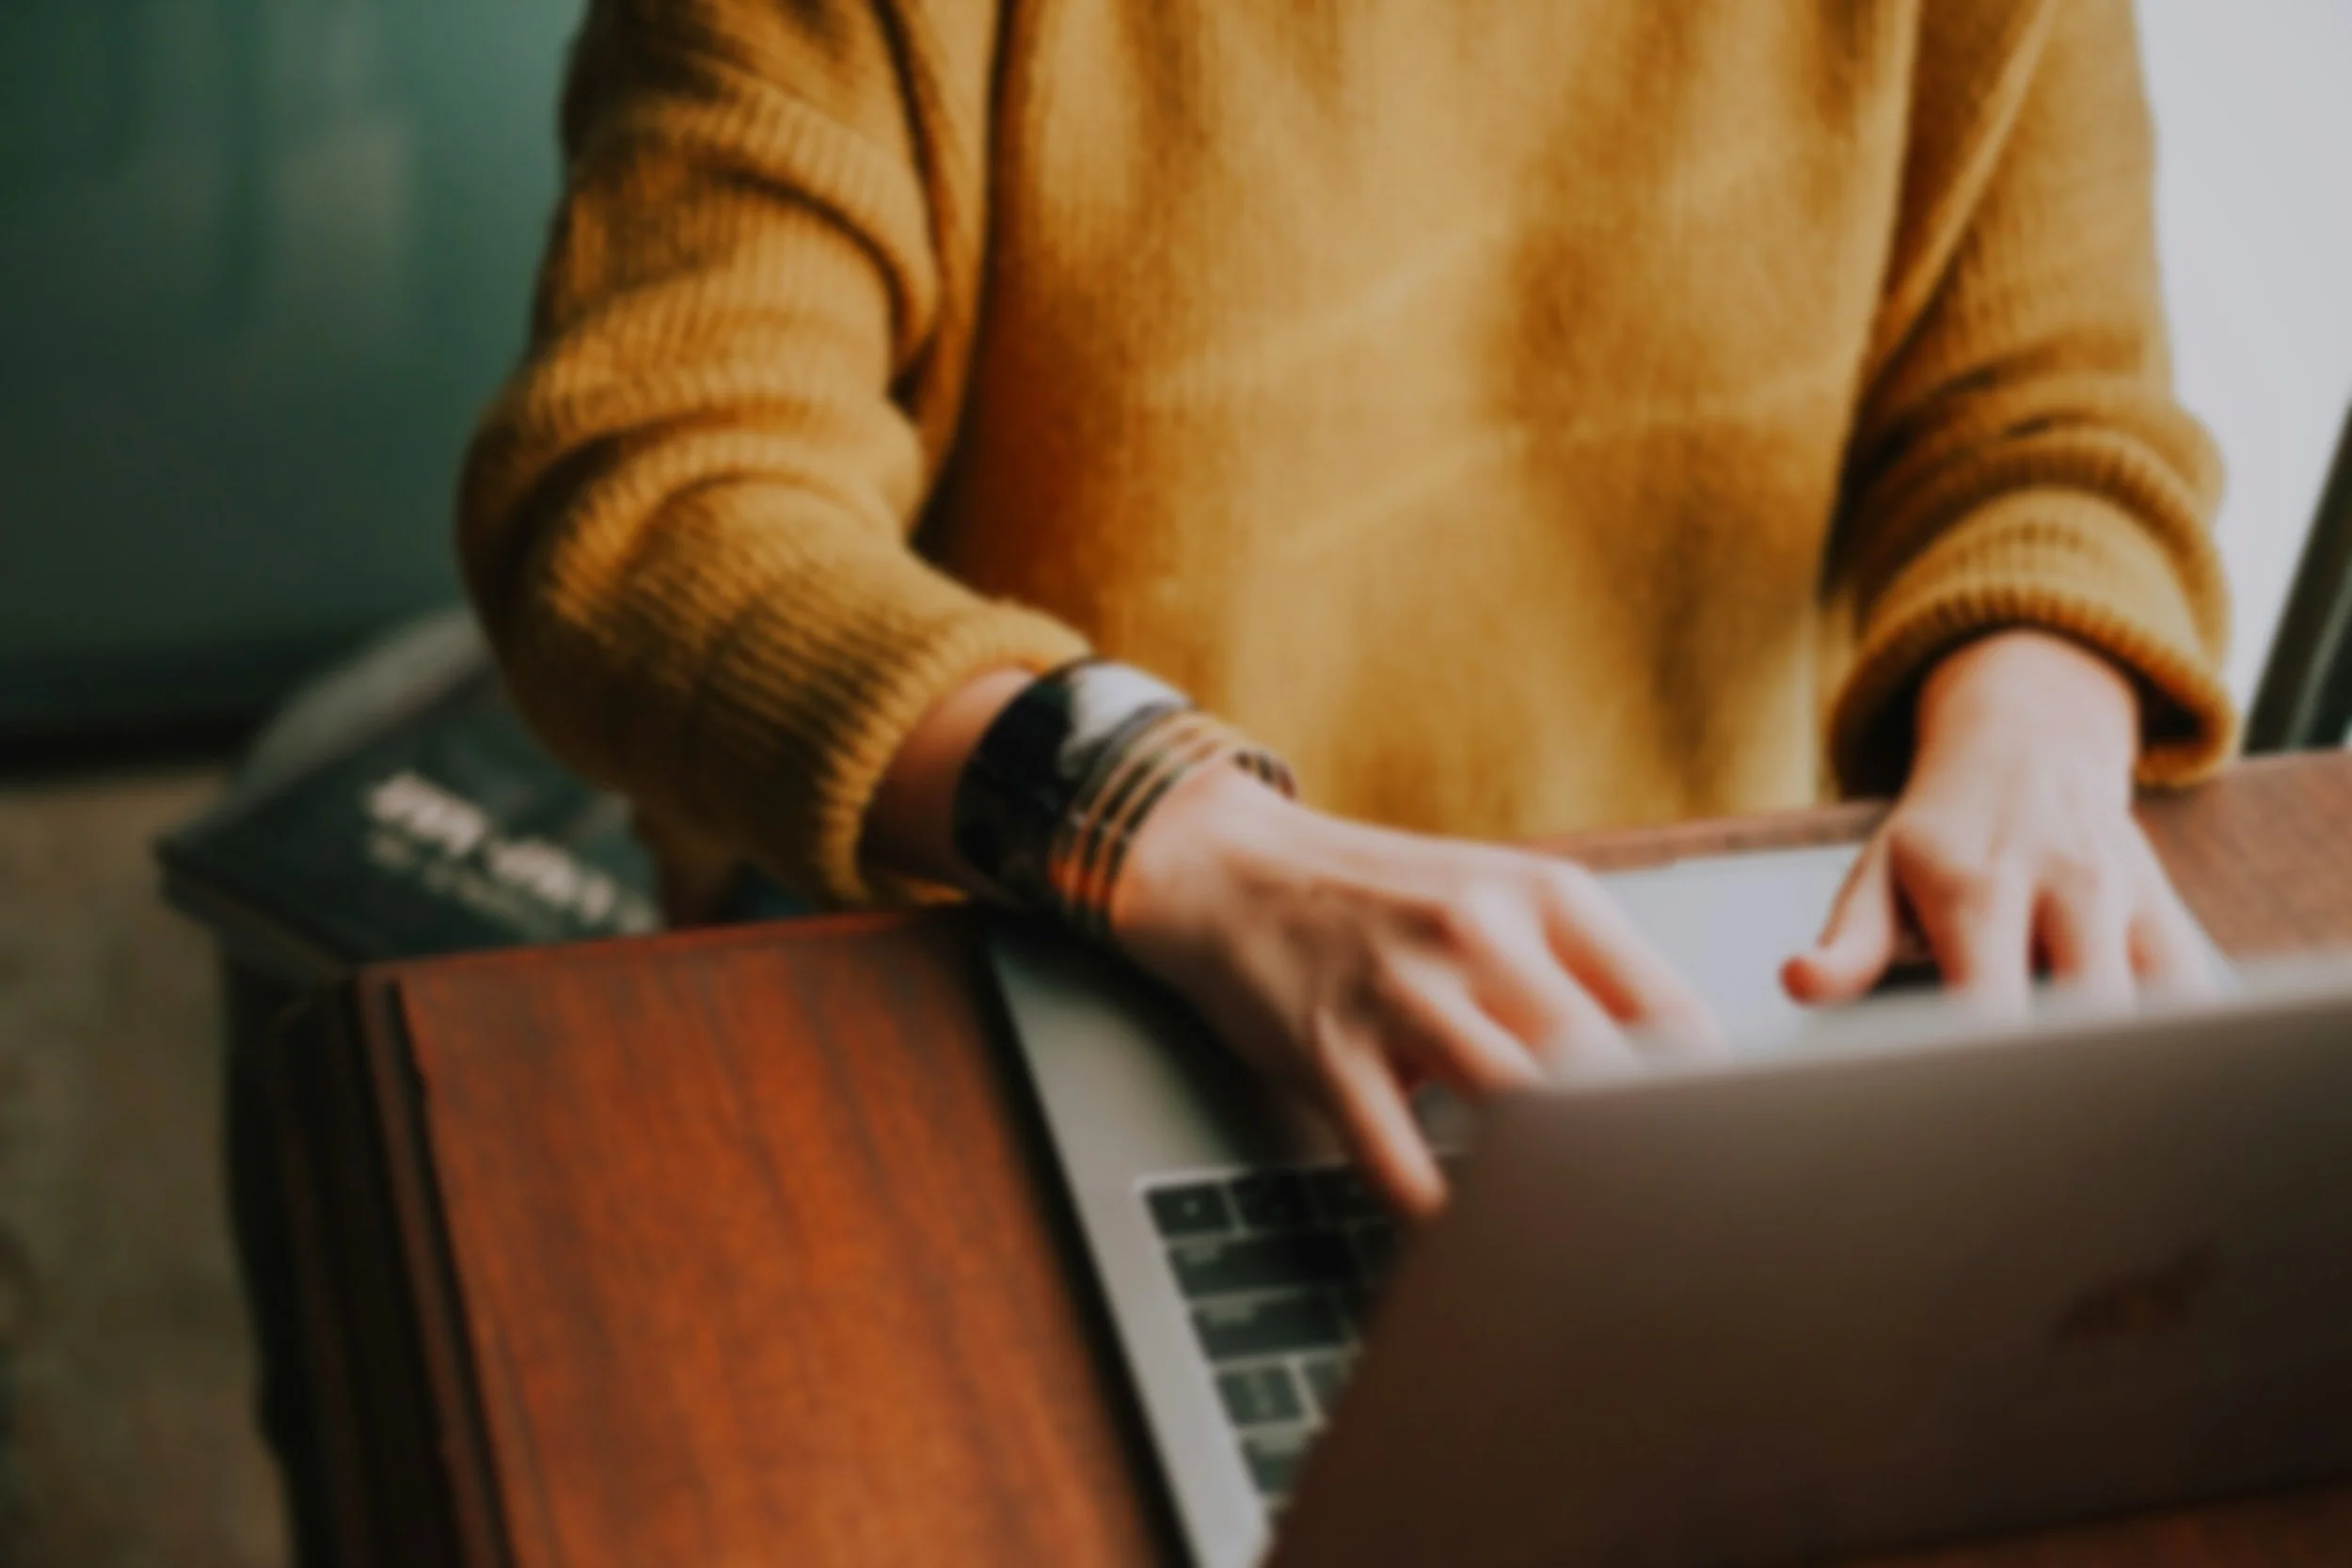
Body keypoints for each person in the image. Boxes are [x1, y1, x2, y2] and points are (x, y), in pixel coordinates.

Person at [459, 0, 2233, 1217]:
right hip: (1024, 940)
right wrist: (1165, 823)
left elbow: (2053, 421)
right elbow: (646, 494)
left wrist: (2040, 721)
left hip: (1679, 996)